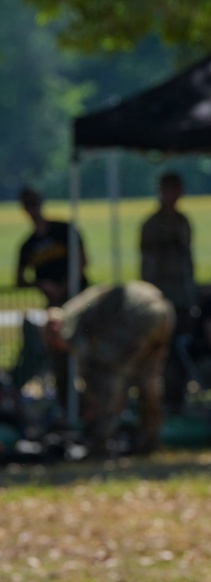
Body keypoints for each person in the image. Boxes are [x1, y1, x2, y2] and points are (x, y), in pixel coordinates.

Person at [45, 281, 175, 455]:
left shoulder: (67, 320)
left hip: (139, 316)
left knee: (112, 379)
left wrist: (91, 399)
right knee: (148, 379)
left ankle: (101, 442)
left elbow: (88, 365)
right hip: (162, 310)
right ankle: (151, 440)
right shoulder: (80, 305)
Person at [140, 171, 197, 412]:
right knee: (163, 353)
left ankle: (179, 399)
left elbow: (188, 262)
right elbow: (148, 266)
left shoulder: (182, 222)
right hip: (162, 296)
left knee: (182, 351)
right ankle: (161, 403)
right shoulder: (152, 225)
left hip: (182, 297)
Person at [15, 187, 87, 304]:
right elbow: (19, 280)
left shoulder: (64, 230)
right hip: (54, 301)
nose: (32, 209)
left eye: (34, 203)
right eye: (28, 204)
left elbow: (82, 261)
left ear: (41, 202)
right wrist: (42, 285)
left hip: (79, 295)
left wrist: (64, 287)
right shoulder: (27, 245)